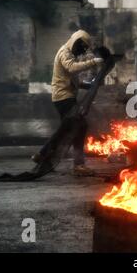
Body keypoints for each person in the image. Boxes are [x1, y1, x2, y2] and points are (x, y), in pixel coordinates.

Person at [32, 30, 104, 176]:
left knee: (68, 129)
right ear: (75, 41)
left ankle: (42, 155)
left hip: (66, 96)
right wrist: (93, 62)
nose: (81, 51)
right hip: (63, 98)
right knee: (79, 126)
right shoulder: (64, 52)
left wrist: (89, 85)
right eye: (81, 47)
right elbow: (71, 67)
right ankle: (78, 165)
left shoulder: (69, 54)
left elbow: (72, 79)